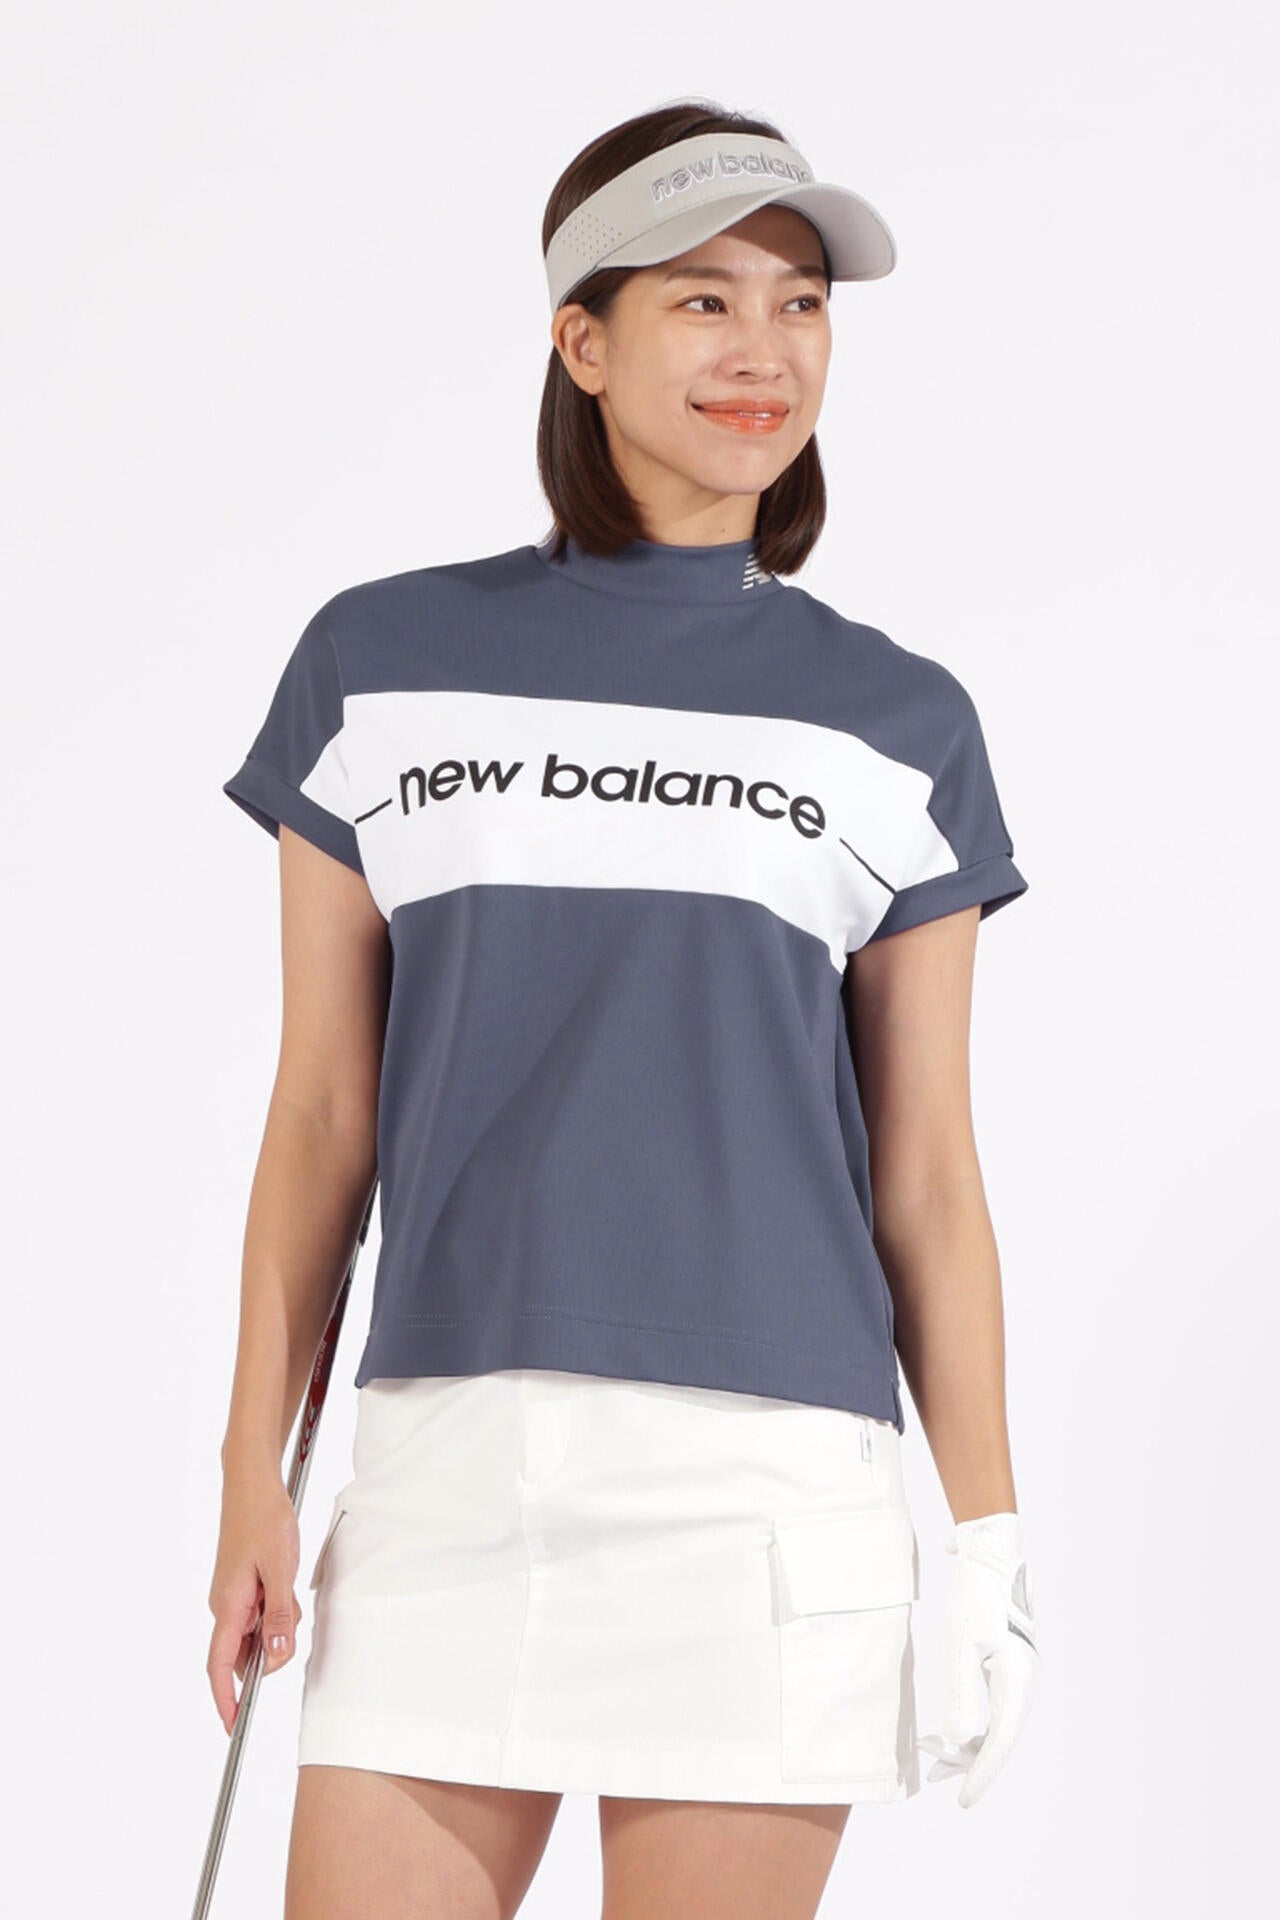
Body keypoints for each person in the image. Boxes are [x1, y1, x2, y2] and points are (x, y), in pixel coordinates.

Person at [210, 99, 1039, 1920]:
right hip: (446, 1469)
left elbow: (928, 1176)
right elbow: (323, 1114)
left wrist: (986, 1540)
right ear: (581, 341)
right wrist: (249, 1475)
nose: (766, 351)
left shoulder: (899, 722)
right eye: (704, 300)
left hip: (763, 1494)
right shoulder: (377, 665)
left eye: (802, 304)